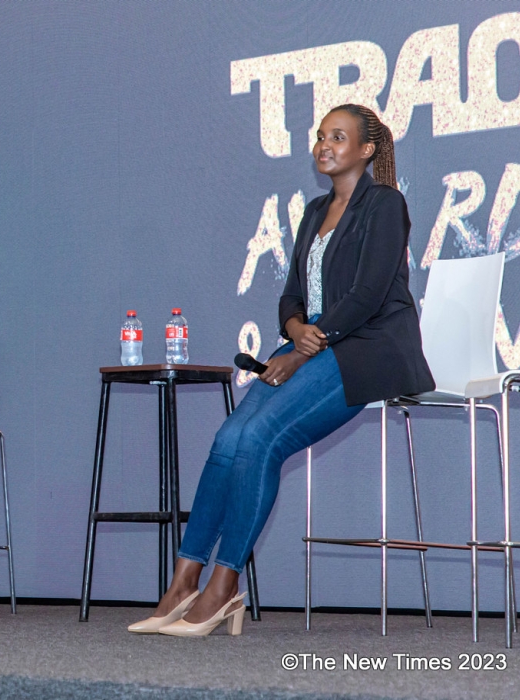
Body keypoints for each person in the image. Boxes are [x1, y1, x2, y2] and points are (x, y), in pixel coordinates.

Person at [129, 104, 435, 637]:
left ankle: (224, 588)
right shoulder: (315, 209)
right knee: (230, 437)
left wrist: (304, 348)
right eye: (321, 136)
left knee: (260, 440)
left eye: (338, 137)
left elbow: (367, 295)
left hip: (365, 346)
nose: (324, 144)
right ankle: (183, 582)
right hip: (313, 339)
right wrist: (293, 328)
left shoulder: (386, 204)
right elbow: (292, 291)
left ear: (366, 149)